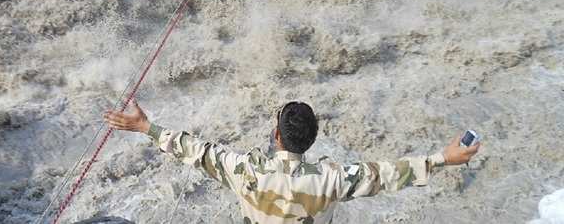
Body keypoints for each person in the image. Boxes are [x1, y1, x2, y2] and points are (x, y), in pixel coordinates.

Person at [105, 100, 481, 224]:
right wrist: (442, 158)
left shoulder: (244, 170)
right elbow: (386, 174)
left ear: (277, 136)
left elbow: (197, 150)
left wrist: (146, 127)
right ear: (312, 141)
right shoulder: (332, 179)